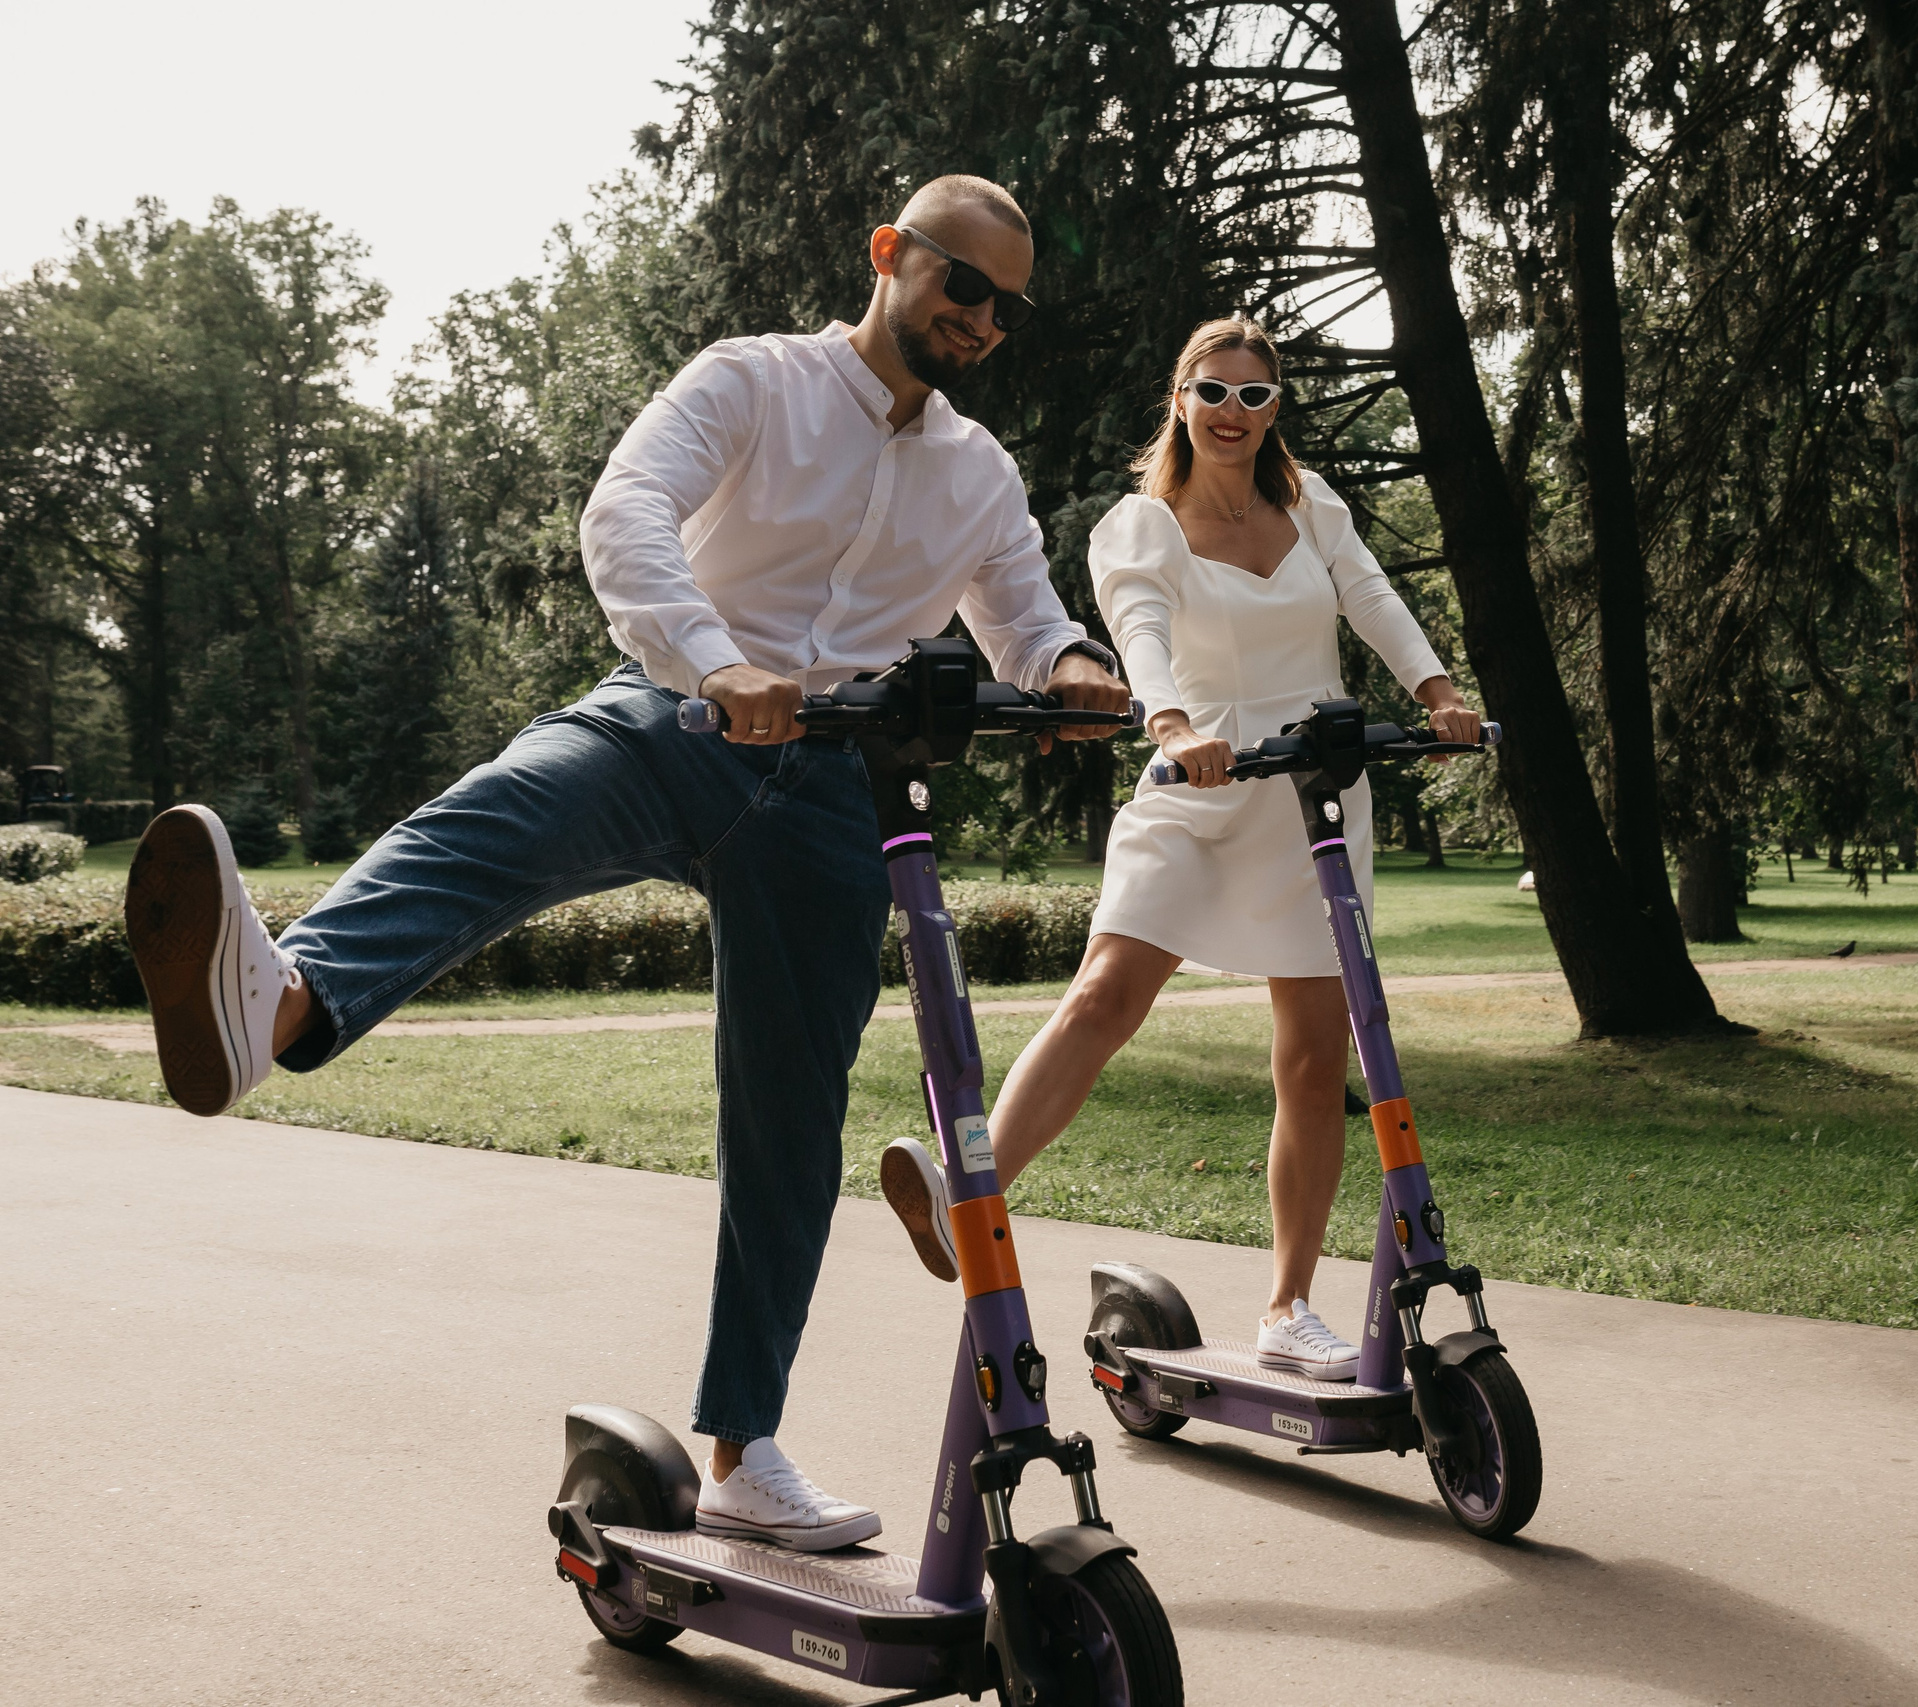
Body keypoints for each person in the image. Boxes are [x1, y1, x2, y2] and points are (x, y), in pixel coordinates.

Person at [119, 175, 1128, 1552]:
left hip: (835, 789)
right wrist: (718, 657)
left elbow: (1024, 615)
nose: (982, 317)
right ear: (891, 255)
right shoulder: (755, 383)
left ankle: (741, 1452)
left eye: (1007, 306)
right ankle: (275, 1008)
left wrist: (1072, 666)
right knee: (494, 822)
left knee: (788, 1117)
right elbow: (627, 508)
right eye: (962, 282)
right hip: (679, 715)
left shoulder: (979, 472)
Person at [878, 317, 1479, 1381]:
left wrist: (1434, 691)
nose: (1235, 414)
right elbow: (1140, 630)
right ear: (1181, 399)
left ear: (1274, 407)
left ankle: (1289, 1306)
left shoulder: (1310, 506)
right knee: (1104, 994)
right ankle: (968, 1192)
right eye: (1215, 392)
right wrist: (1168, 725)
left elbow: (1371, 596)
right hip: (1194, 779)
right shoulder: (1139, 525)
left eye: (1256, 396)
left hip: (1310, 790)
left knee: (1313, 1053)